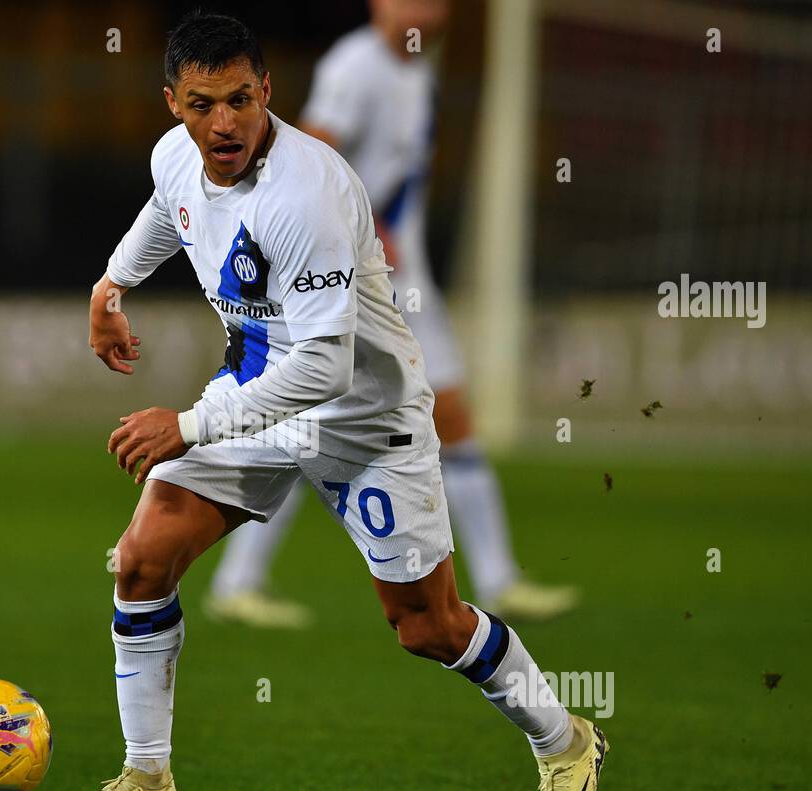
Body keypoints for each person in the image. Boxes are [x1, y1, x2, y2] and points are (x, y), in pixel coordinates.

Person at [41, 12, 607, 791]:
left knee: (427, 626)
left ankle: (566, 742)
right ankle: (146, 778)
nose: (223, 123)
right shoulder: (177, 157)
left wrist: (190, 425)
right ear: (173, 104)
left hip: (363, 419)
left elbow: (326, 371)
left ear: (268, 91)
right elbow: (171, 208)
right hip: (257, 391)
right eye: (202, 104)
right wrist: (111, 284)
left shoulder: (308, 190)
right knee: (143, 557)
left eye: (240, 99)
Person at [206, 0, 578, 630]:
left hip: (402, 279)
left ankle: (499, 579)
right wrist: (364, 228)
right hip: (359, 279)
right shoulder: (356, 66)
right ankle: (234, 578)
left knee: (435, 417)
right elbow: (305, 159)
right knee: (323, 421)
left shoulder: (415, 69)